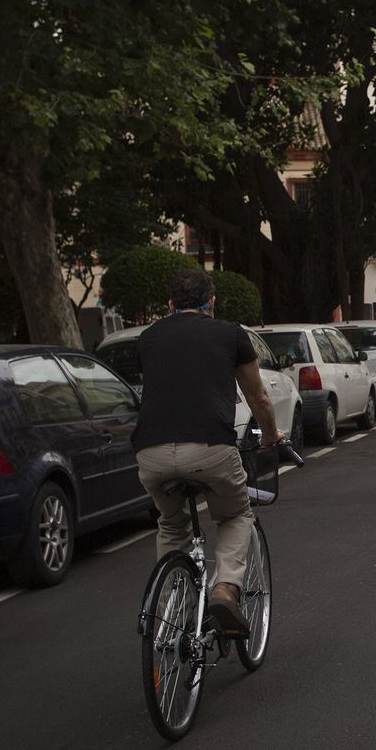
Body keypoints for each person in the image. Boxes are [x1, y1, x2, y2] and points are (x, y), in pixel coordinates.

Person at [132, 268, 284, 632]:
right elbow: (257, 396)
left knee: (170, 523)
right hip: (208, 449)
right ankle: (226, 591)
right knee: (235, 515)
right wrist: (270, 435)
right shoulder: (231, 334)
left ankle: (171, 617)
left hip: (150, 453)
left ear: (170, 305)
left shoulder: (148, 338)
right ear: (212, 302)